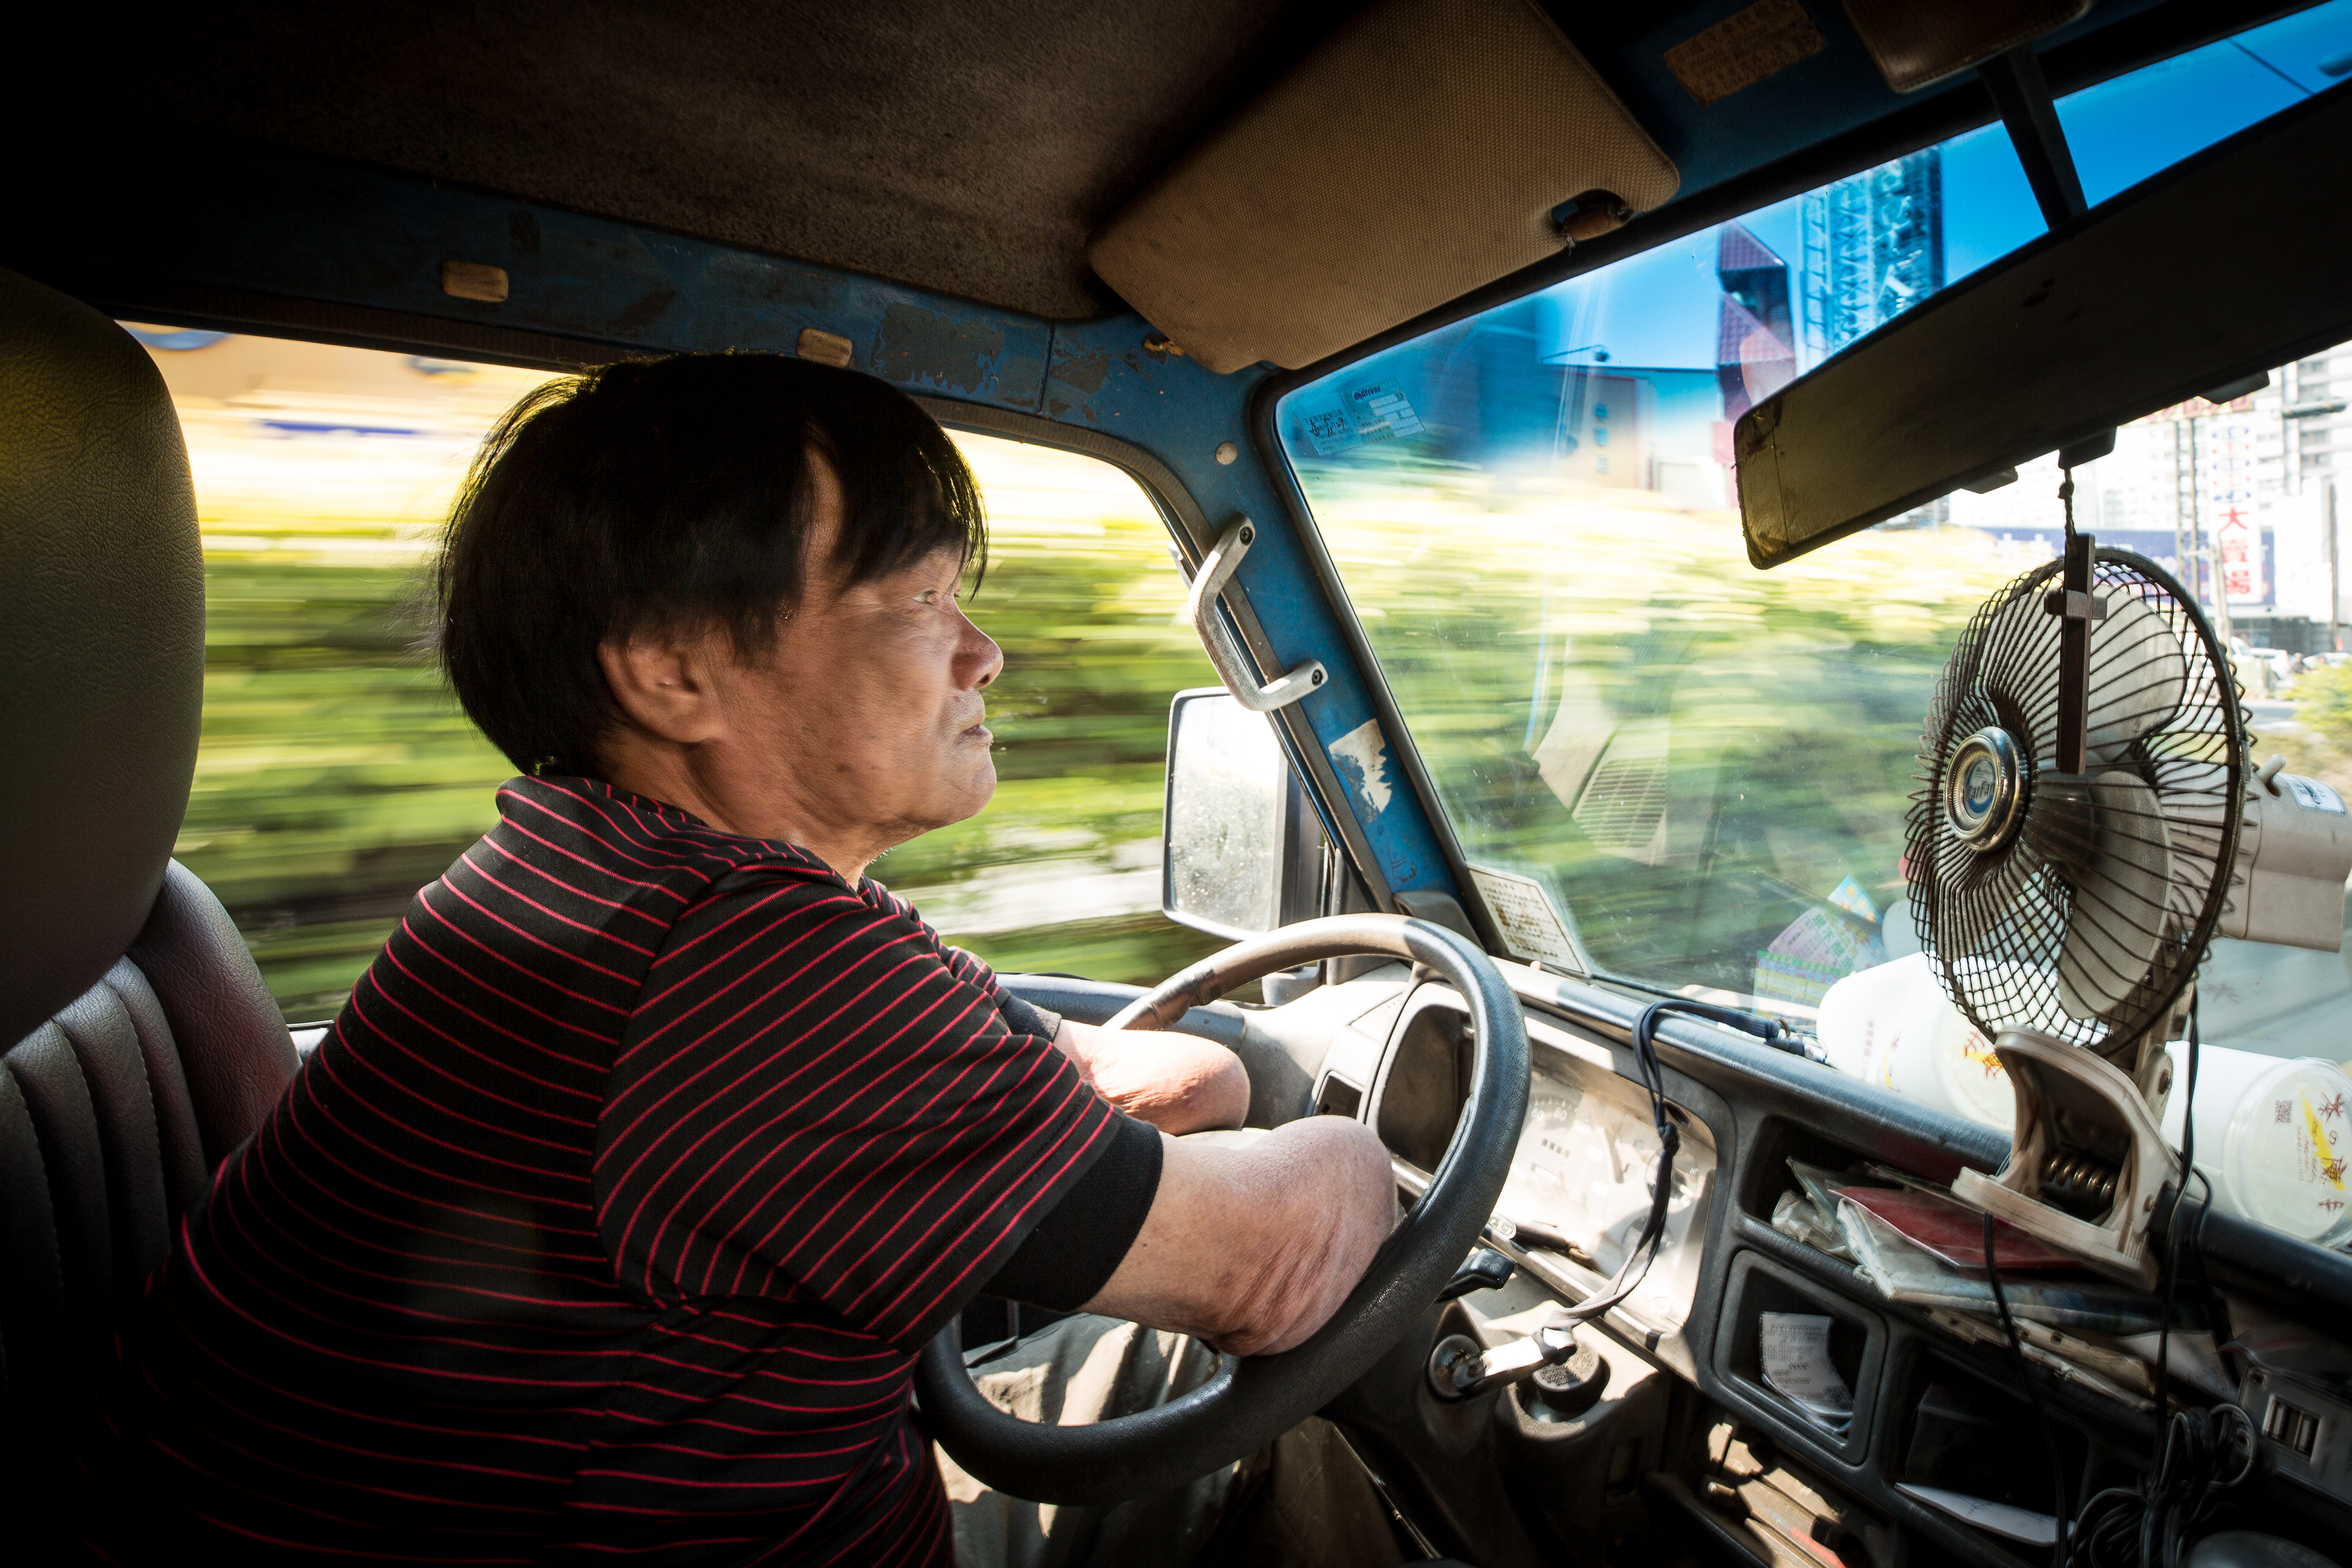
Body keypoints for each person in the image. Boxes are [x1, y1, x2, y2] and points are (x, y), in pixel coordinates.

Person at [82, 354, 1397, 1564]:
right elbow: (1268, 1270)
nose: (984, 654)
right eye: (920, 601)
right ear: (672, 672)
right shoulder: (740, 965)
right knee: (1293, 1391)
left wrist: (1232, 1081)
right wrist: (1366, 1144)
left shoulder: (597, 877)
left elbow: (1081, 1079)